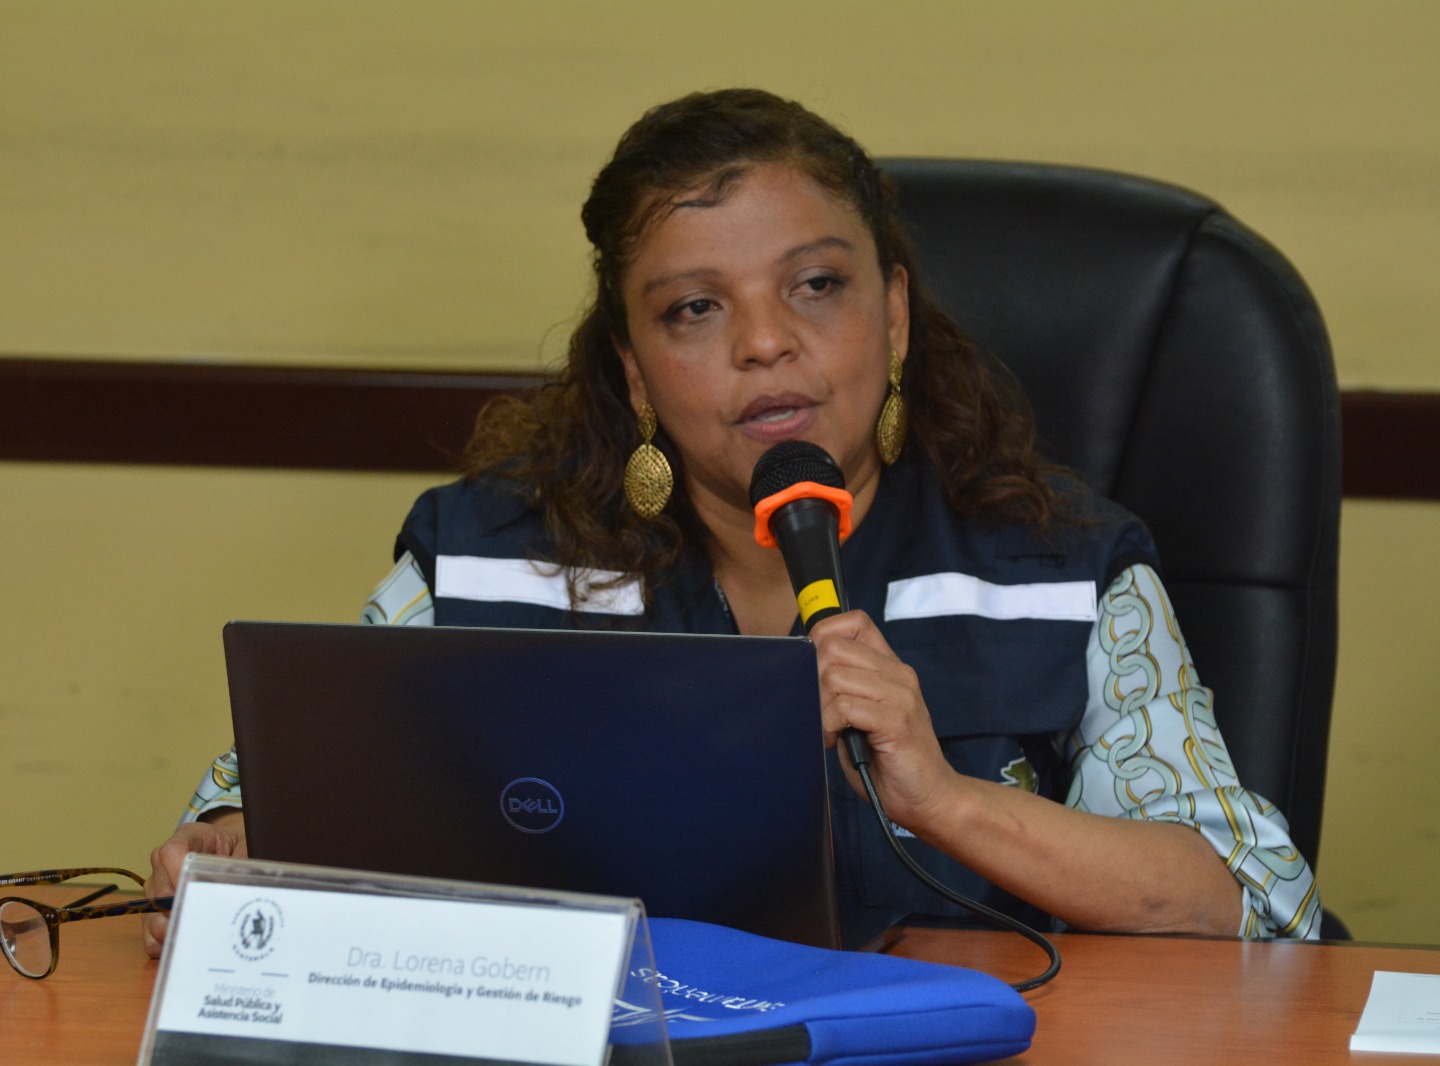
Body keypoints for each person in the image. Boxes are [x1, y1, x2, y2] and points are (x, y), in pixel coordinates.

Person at [144, 88, 1321, 957]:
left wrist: (947, 802)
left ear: (896, 315)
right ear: (637, 371)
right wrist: (229, 847)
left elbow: (1255, 898)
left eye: (816, 285)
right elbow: (263, 812)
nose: (766, 342)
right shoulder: (489, 559)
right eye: (696, 308)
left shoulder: (1057, 568)